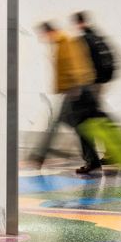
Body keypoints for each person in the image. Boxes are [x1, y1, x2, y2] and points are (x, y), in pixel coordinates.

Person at [34, 20, 104, 176]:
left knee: (59, 125)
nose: (43, 38)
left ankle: (39, 157)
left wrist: (75, 87)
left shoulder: (63, 41)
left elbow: (74, 64)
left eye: (43, 34)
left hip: (74, 91)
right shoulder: (63, 40)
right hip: (74, 90)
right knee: (80, 127)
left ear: (49, 31)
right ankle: (92, 161)